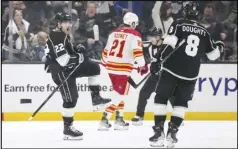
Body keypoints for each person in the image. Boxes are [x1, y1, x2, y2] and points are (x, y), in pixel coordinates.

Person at [148, 2, 224, 148]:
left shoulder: (178, 24)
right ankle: (172, 133)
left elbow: (169, 44)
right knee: (181, 103)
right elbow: (213, 55)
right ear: (199, 15)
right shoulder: (205, 31)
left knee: (161, 98)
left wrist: (157, 59)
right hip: (190, 74)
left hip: (171, 69)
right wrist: (220, 45)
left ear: (185, 12)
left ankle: (158, 132)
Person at [44, 12, 111, 140]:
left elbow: (69, 52)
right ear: (58, 23)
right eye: (65, 22)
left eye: (69, 22)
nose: (68, 24)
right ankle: (67, 129)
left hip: (68, 69)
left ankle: (96, 98)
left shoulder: (64, 35)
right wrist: (79, 56)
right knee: (71, 99)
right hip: (61, 72)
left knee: (94, 68)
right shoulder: (56, 36)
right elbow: (63, 60)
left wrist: (77, 49)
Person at [98, 12, 148, 131]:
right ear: (132, 23)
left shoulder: (113, 33)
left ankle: (119, 118)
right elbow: (137, 53)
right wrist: (143, 65)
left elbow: (105, 52)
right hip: (123, 70)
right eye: (135, 23)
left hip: (110, 68)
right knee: (120, 95)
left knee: (119, 94)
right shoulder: (135, 34)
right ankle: (105, 119)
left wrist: (103, 62)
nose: (135, 25)